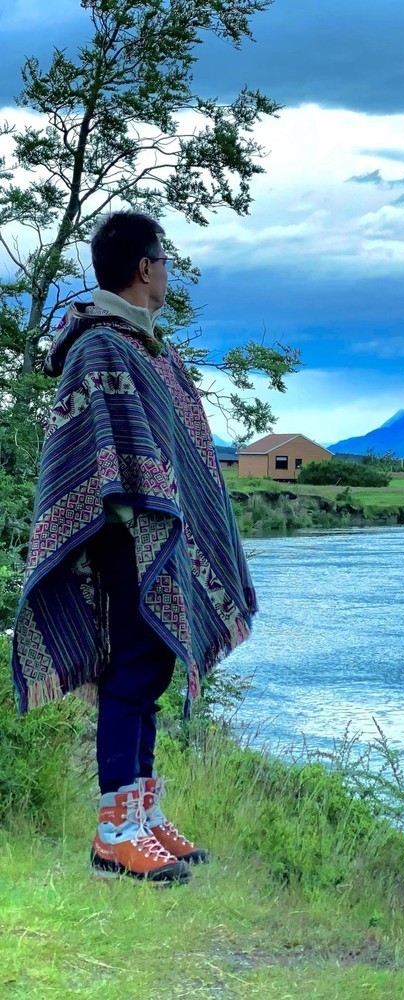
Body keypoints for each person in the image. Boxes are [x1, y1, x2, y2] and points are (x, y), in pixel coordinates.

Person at [11, 211, 257, 884]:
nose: (169, 274)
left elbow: (182, 450)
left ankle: (143, 818)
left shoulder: (150, 345)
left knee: (151, 672)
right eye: (166, 263)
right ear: (144, 267)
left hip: (161, 533)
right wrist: (134, 511)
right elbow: (89, 448)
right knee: (131, 672)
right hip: (125, 535)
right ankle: (113, 834)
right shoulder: (101, 345)